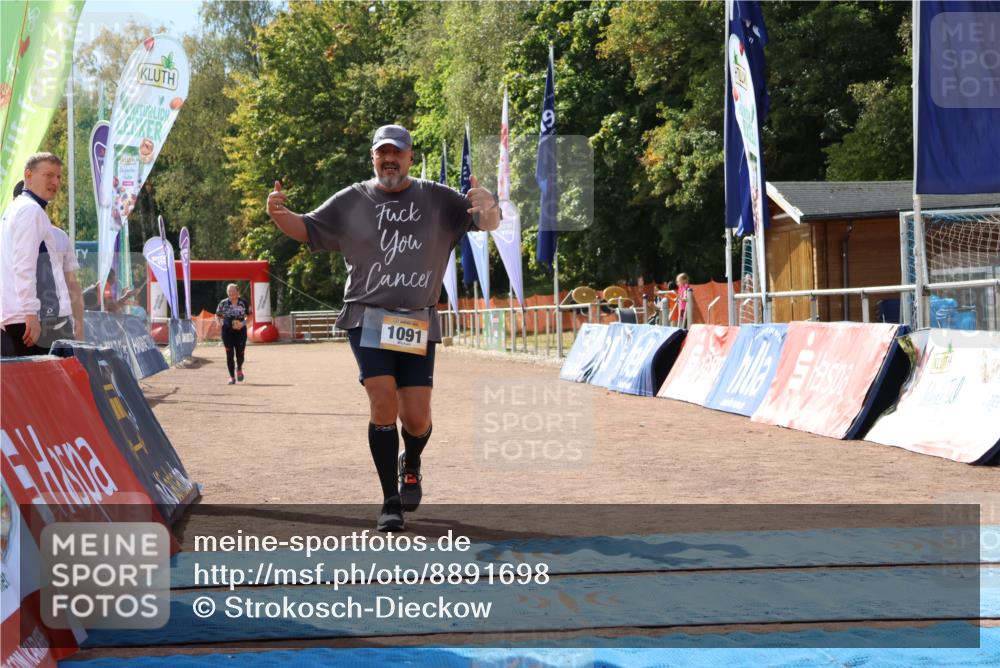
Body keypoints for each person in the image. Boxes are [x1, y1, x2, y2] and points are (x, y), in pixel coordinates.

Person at [266, 124, 500, 531]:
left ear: (410, 157)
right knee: (382, 402)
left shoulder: (437, 198)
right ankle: (390, 500)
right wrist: (278, 214)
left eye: (397, 152)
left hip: (416, 319)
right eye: (382, 152)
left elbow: (488, 223)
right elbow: (307, 228)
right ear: (373, 157)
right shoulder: (353, 200)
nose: (390, 159)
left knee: (417, 419)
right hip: (367, 316)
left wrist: (490, 204)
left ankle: (412, 461)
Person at [1, 153, 64, 356]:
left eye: (58, 176)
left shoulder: (17, 208)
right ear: (28, 175)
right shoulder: (30, 210)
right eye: (48, 175)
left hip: (20, 316)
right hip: (31, 319)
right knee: (48, 377)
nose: (55, 182)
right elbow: (24, 264)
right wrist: (30, 312)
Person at [12, 180, 84, 344]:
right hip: (22, 321)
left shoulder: (60, 237)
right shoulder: (7, 236)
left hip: (54, 322)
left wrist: (79, 326)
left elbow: (72, 284)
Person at [215, 283, 252, 385]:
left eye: (233, 291)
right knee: (229, 354)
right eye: (229, 291)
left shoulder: (243, 302)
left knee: (240, 354)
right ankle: (232, 377)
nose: (231, 293)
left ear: (238, 292)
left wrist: (242, 324)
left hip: (241, 332)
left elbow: (250, 316)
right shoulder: (223, 303)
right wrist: (219, 323)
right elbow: (217, 315)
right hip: (227, 332)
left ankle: (239, 368)